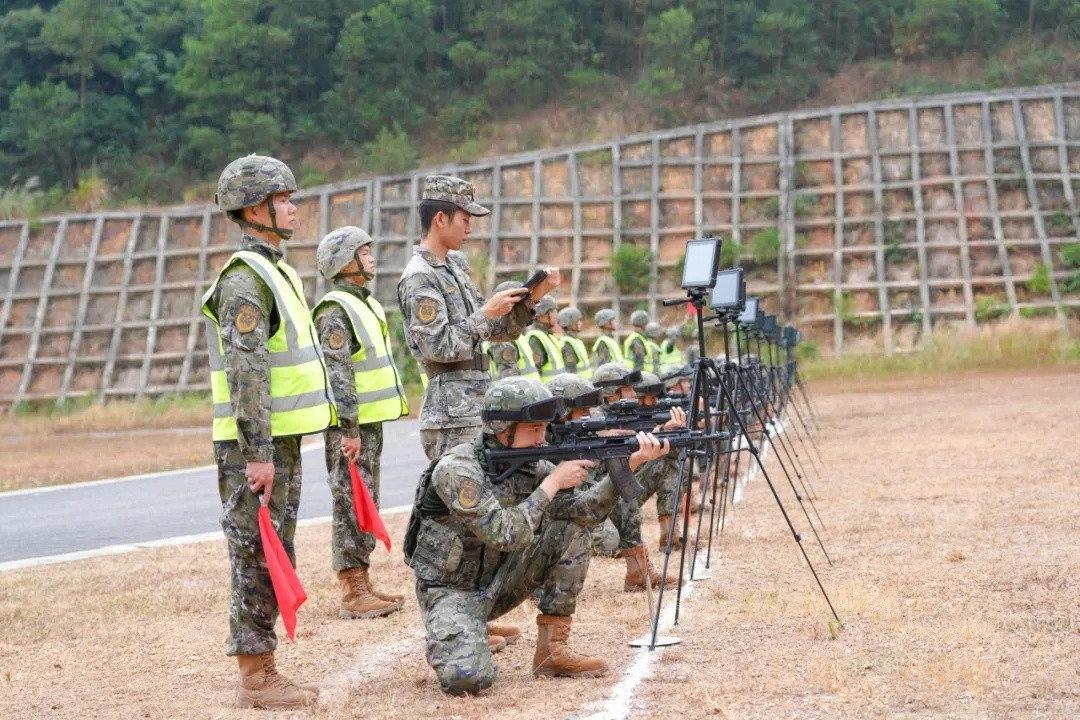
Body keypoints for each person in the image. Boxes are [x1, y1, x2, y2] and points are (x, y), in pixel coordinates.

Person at [404, 377, 669, 695]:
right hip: (451, 592)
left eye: (544, 428)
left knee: (570, 529)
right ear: (503, 428)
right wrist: (552, 483)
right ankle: (458, 632)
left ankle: (552, 651)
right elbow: (503, 534)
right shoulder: (457, 470)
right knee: (468, 680)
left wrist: (628, 464)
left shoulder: (531, 464)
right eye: (534, 430)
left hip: (501, 580)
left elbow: (584, 513)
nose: (543, 439)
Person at [201, 154, 335, 710]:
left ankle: (263, 664)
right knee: (256, 552)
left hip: (279, 440)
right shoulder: (244, 280)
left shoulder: (275, 270)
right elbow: (246, 374)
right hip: (255, 447)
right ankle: (256, 675)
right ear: (257, 209)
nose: (295, 208)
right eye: (285, 200)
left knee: (272, 548)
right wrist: (257, 452)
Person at [397, 175, 560, 460]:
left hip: (474, 404)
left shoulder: (452, 270)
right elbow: (438, 346)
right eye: (465, 219)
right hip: (451, 415)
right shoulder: (420, 276)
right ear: (440, 219)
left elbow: (497, 330)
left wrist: (532, 298)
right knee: (460, 498)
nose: (470, 228)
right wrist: (485, 313)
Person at [313, 226, 409, 620]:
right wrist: (348, 428)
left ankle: (363, 581)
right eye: (362, 251)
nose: (371, 256)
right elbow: (338, 373)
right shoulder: (335, 310)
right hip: (350, 427)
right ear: (343, 261)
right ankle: (352, 589)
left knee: (366, 499)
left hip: (368, 424)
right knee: (350, 501)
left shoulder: (363, 303)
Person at [589, 363, 685, 591]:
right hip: (585, 496)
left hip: (604, 492)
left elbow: (632, 443)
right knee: (615, 532)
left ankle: (638, 573)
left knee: (626, 491)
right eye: (628, 390)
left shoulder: (619, 416)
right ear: (611, 394)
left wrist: (663, 432)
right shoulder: (595, 420)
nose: (634, 394)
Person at [486, 281, 541, 381]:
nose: (529, 306)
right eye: (524, 302)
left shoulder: (515, 334)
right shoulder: (502, 337)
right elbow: (510, 380)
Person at [524, 296, 566, 379]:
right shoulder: (535, 338)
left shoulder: (548, 336)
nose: (555, 315)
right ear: (539, 314)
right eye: (551, 311)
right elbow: (536, 371)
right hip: (547, 389)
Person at [557, 307, 592, 380]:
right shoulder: (567, 343)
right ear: (569, 323)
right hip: (578, 387)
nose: (580, 323)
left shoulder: (576, 341)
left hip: (585, 385)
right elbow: (571, 371)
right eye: (578, 320)